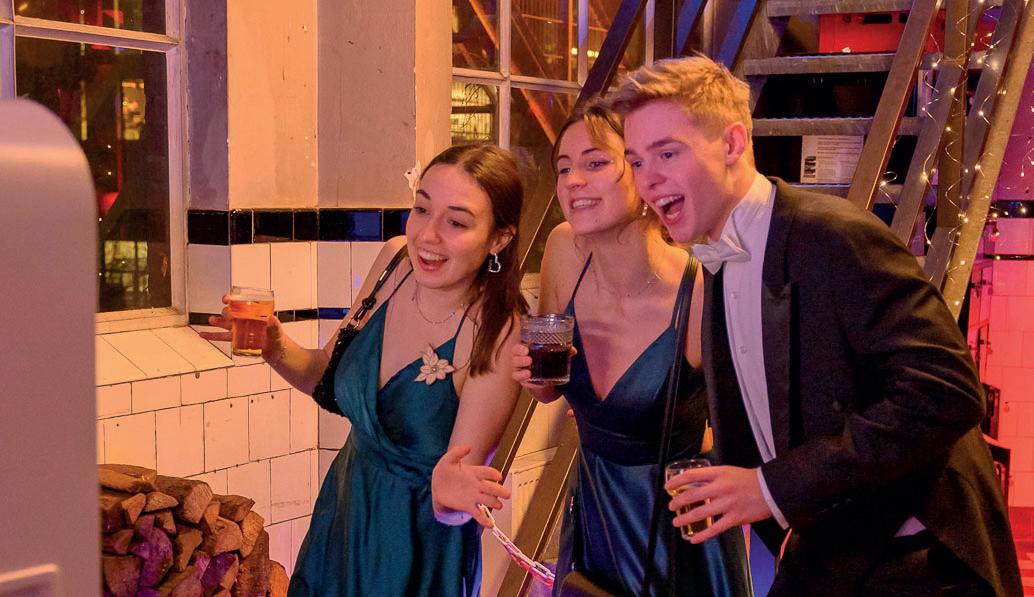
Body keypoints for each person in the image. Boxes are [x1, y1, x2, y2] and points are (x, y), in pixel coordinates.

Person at [611, 55, 1022, 596]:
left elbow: (945, 394)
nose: (648, 179)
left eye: (668, 153)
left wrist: (771, 488)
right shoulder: (713, 258)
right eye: (637, 161)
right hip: (828, 554)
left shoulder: (832, 235)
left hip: (916, 563)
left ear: (732, 144)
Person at [204, 144, 527, 596]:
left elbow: (458, 492)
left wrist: (452, 497)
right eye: (422, 210)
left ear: (498, 239)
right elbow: (327, 380)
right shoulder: (394, 264)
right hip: (342, 514)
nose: (428, 235)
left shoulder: (498, 330)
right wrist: (276, 348)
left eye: (456, 222)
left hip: (414, 548)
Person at [511, 103, 751, 596]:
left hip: (675, 531)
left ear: (645, 175)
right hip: (594, 512)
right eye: (563, 168)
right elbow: (551, 388)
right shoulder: (563, 251)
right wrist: (533, 377)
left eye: (596, 162)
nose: (573, 180)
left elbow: (747, 427)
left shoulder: (699, 290)